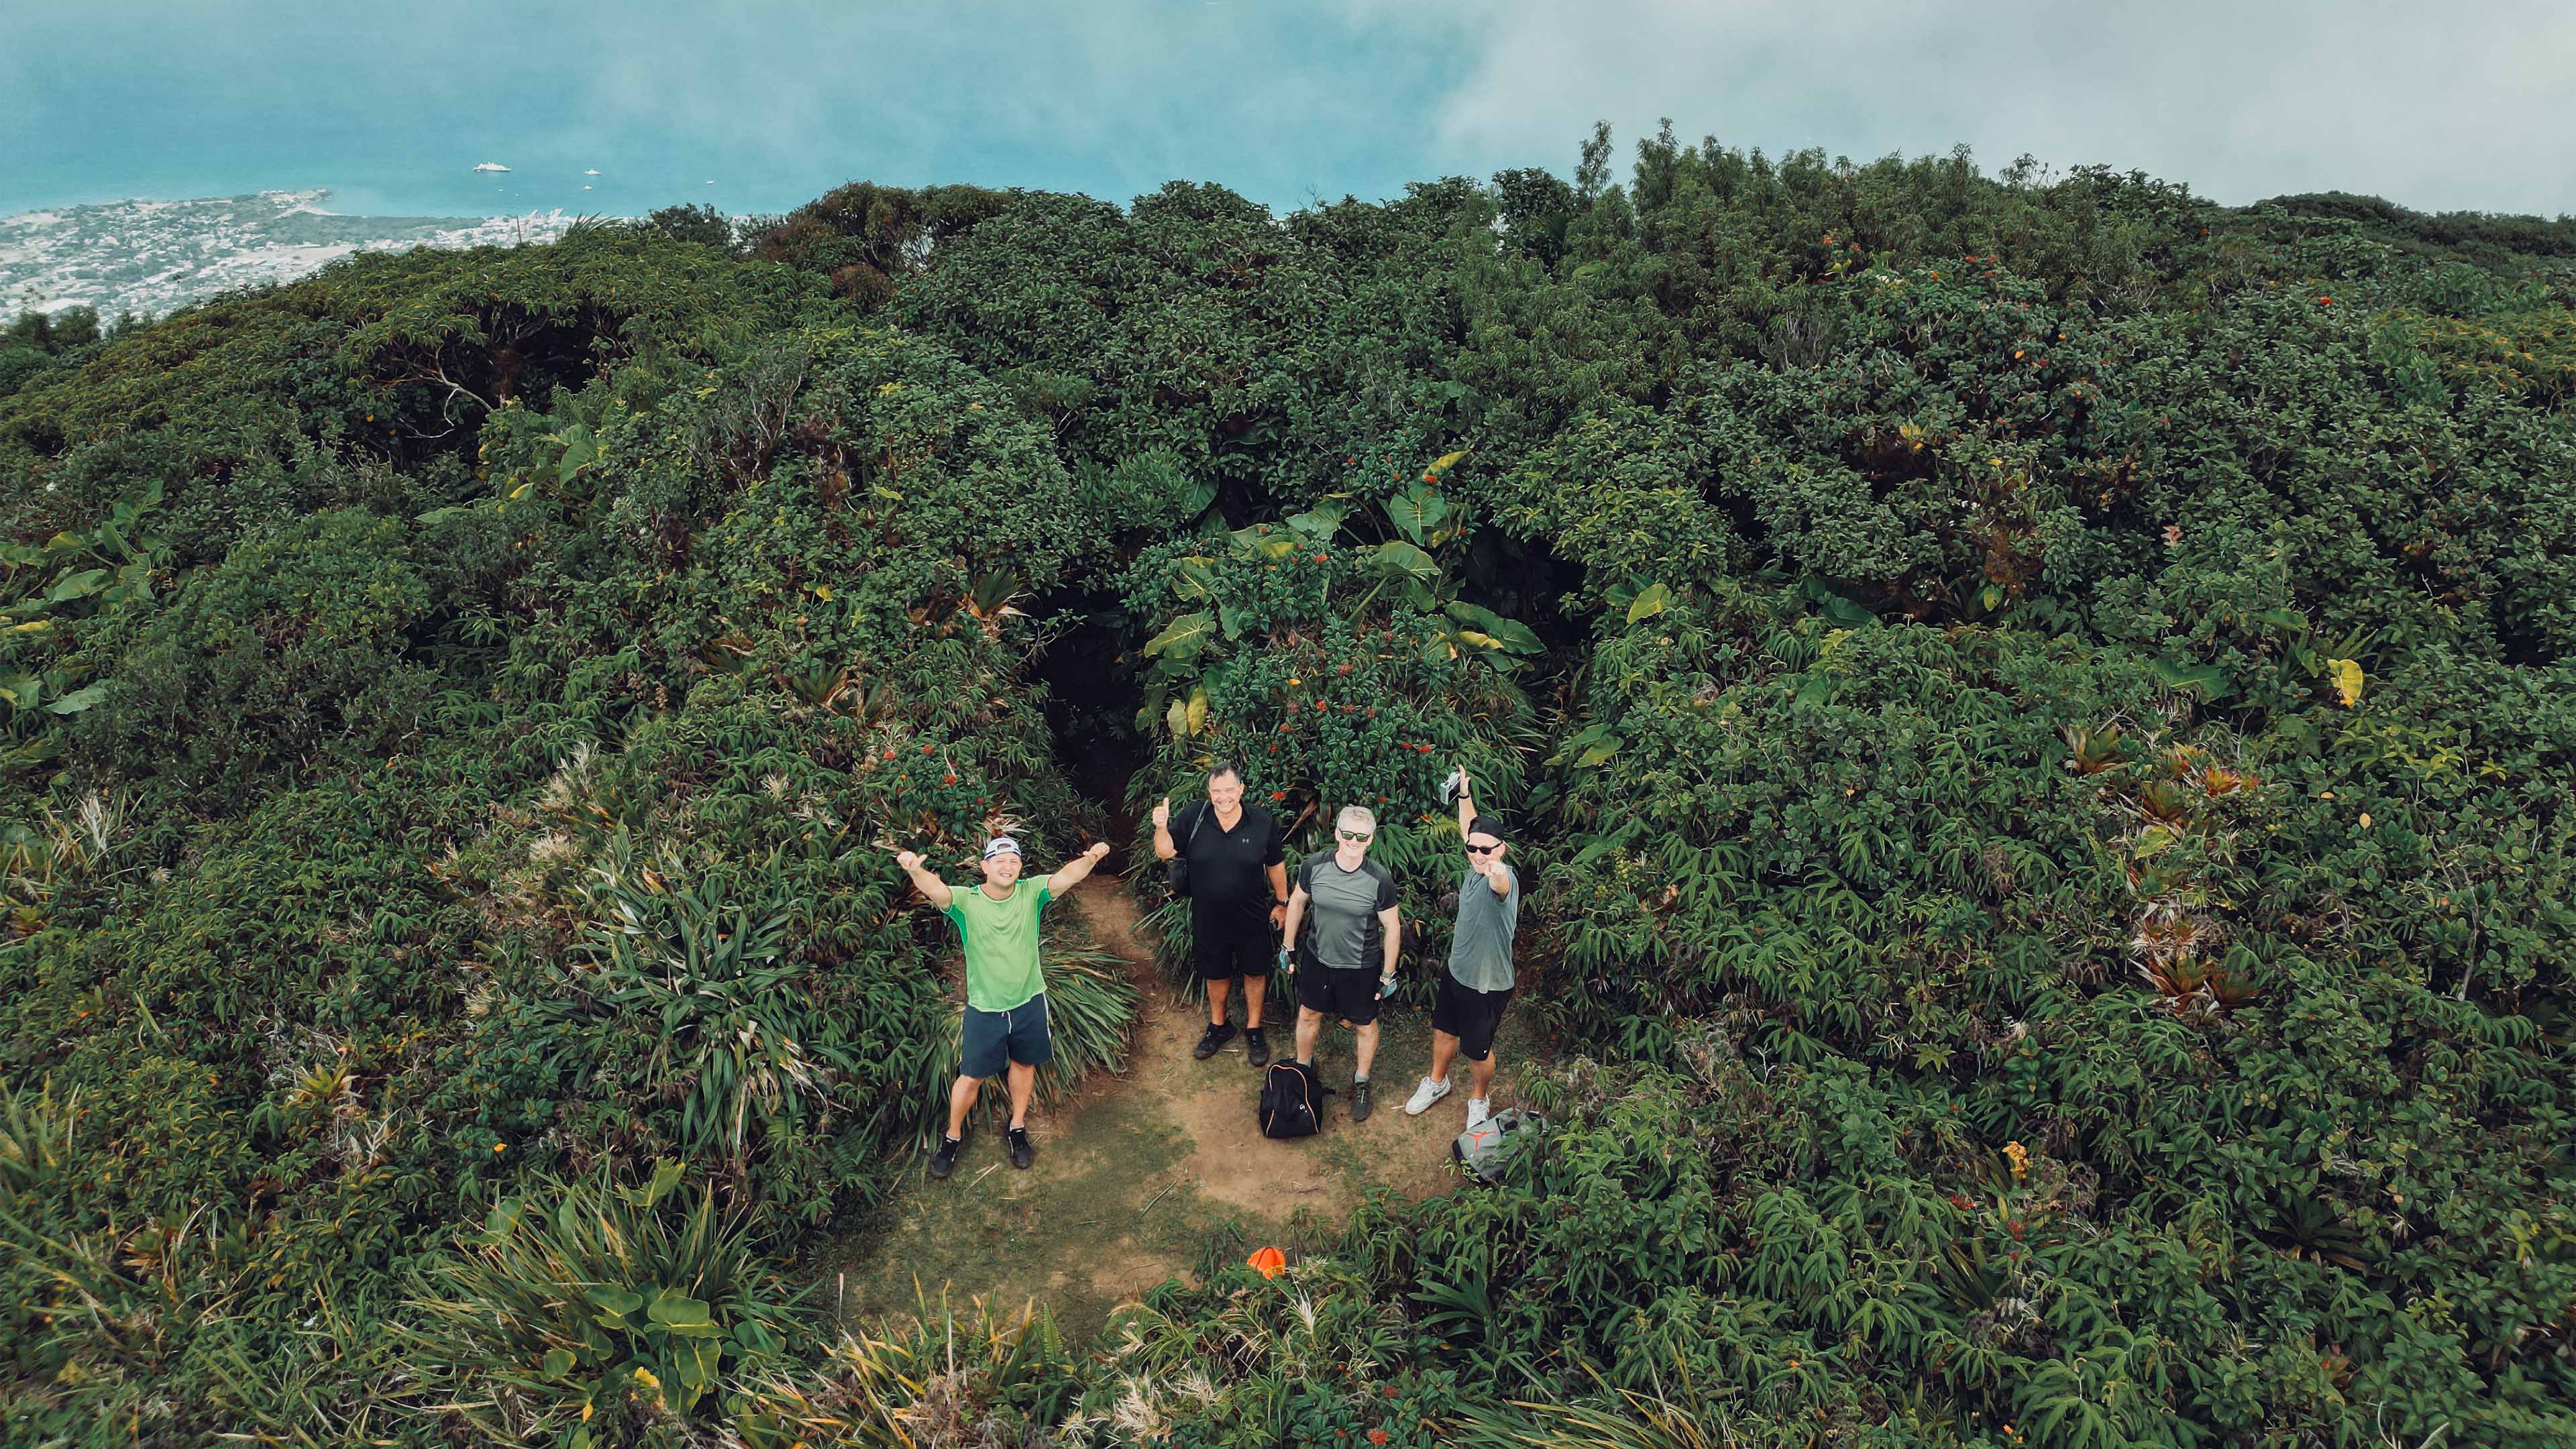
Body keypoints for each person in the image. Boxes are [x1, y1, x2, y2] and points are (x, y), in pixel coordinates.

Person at [895, 834, 1113, 1179]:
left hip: (1029, 1001)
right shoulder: (967, 902)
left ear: (1020, 867)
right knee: (971, 1078)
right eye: (999, 860)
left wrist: (1090, 860)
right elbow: (938, 891)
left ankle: (1017, 1127)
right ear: (984, 867)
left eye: (1013, 860)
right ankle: (952, 1137)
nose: (1007, 866)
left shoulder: (1032, 892)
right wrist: (915, 871)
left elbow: (1065, 878)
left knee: (1024, 1065)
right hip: (985, 1009)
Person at [1150, 762, 1290, 1067]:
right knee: (1215, 972)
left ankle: (1254, 1029)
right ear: (1209, 793)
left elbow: (1276, 864)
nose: (1223, 797)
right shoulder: (1194, 816)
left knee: (1255, 971)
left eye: (1229, 790)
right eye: (1217, 791)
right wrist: (1161, 827)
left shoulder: (1261, 821)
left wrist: (1283, 902)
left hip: (1252, 915)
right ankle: (1219, 1026)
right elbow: (1165, 851)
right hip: (1208, 915)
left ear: (1241, 789)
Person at [1405, 765, 1521, 1128]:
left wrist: (1497, 872)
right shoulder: (1476, 858)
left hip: (1487, 985)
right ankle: (1437, 1082)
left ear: (1502, 849)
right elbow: (1469, 827)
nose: (1477, 853)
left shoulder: (1502, 878)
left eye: (1487, 849)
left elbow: (1500, 884)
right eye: (1473, 847)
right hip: (1458, 973)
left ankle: (1478, 1098)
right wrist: (1465, 796)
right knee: (1443, 1031)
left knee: (1477, 1051)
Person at [1279, 804, 1401, 1122]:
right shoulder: (1314, 865)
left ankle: (1361, 1081)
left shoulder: (1379, 879)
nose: (1353, 841)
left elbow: (1392, 928)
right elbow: (1297, 902)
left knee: (1364, 1024)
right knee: (1308, 1014)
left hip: (1361, 967)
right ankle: (1303, 1069)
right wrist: (1287, 947)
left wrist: (1388, 974)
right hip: (1319, 958)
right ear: (1336, 834)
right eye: (1347, 834)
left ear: (1370, 839)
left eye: (1361, 836)